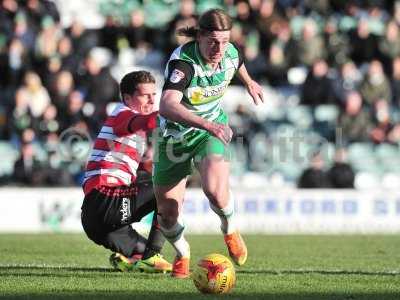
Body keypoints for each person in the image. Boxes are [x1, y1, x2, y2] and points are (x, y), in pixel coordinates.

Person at [153, 9, 264, 278]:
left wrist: (249, 82)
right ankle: (183, 253)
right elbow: (166, 106)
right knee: (167, 213)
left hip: (209, 133)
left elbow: (236, 63)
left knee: (215, 190)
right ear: (200, 36)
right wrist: (207, 123)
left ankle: (230, 229)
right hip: (174, 139)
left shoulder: (230, 52)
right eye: (213, 41)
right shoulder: (184, 64)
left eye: (225, 41)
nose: (219, 48)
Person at [80, 71, 171, 273]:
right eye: (145, 95)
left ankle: (135, 258)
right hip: (106, 200)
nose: (151, 100)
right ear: (128, 97)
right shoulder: (121, 114)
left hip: (97, 220)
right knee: (169, 189)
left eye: (153, 95)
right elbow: (145, 122)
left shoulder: (130, 129)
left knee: (143, 256)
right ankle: (151, 255)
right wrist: (171, 110)